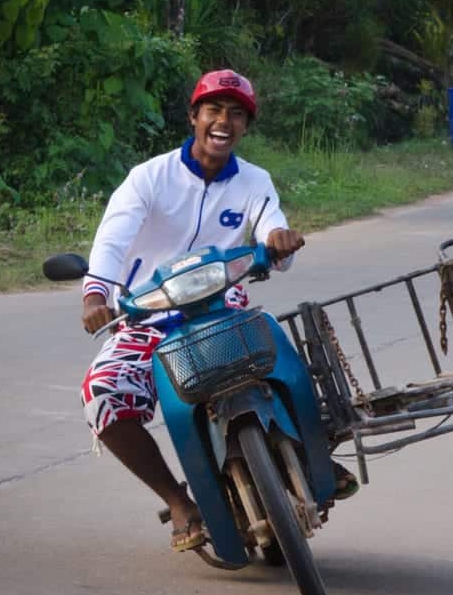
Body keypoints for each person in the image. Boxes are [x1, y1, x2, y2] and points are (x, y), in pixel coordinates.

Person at [78, 69, 356, 553]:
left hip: (222, 311)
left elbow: (273, 228)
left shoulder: (255, 181)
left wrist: (279, 240)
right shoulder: (149, 177)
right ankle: (179, 502)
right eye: (214, 110)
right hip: (149, 320)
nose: (223, 121)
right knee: (102, 392)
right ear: (194, 117)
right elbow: (112, 239)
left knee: (285, 363)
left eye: (236, 113)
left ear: (245, 126)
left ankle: (313, 455)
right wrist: (96, 296)